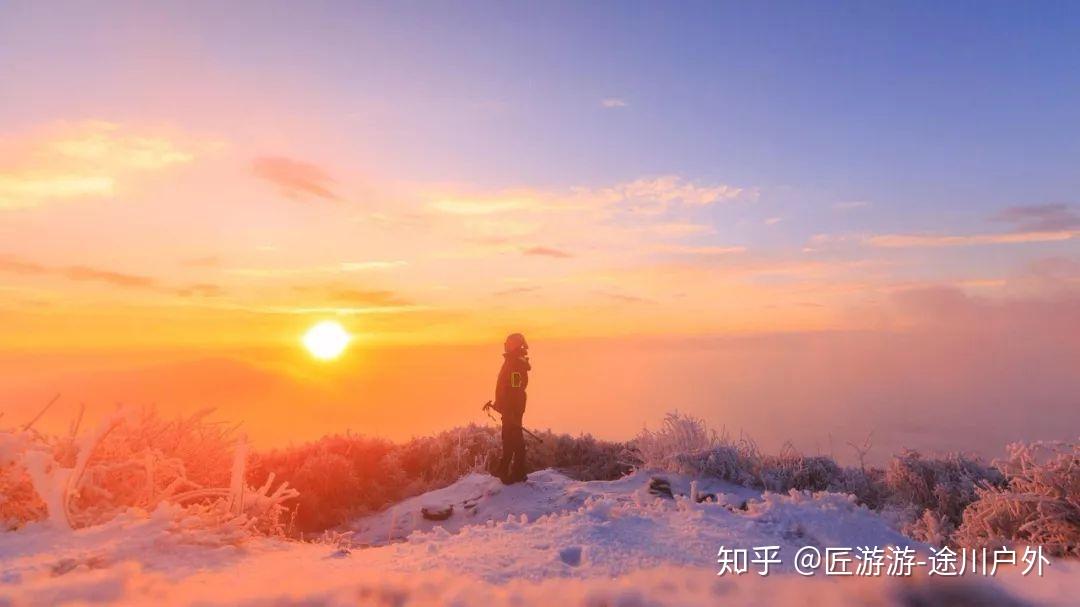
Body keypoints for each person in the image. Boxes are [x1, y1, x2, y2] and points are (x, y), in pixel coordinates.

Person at [493, 332, 530, 484]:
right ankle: (505, 471)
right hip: (510, 407)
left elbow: (515, 387)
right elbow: (508, 387)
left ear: (514, 345)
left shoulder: (515, 363)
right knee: (509, 438)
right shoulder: (512, 361)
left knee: (513, 438)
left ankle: (517, 472)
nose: (505, 345)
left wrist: (508, 408)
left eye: (508, 343)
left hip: (513, 408)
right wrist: (500, 403)